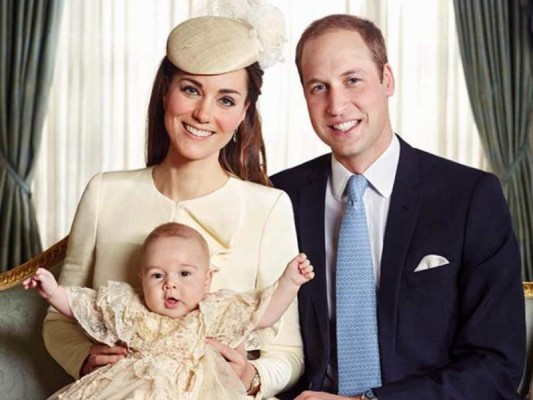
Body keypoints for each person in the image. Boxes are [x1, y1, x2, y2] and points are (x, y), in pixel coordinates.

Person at [43, 2, 304, 398]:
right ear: (166, 91)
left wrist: (254, 377)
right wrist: (83, 358)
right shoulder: (104, 192)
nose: (203, 113)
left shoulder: (268, 208)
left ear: (243, 113)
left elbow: (287, 351)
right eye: (191, 90)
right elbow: (58, 319)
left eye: (226, 100)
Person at [271, 13, 525, 400]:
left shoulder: (470, 196)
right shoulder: (279, 197)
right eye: (318, 87)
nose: (336, 105)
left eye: (352, 80)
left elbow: (496, 365)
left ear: (387, 79)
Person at [25, 223, 314, 399]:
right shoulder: (129, 308)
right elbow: (80, 306)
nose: (170, 286)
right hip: (135, 389)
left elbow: (264, 314)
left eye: (184, 274)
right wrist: (53, 291)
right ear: (141, 280)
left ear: (206, 280)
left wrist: (289, 283)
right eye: (157, 276)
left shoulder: (215, 310)